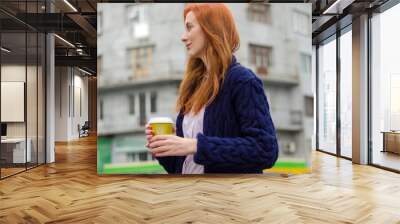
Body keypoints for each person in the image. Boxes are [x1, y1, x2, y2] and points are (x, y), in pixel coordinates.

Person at [145, 3, 278, 174]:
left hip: (226, 197)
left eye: (189, 27)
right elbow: (185, 165)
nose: (183, 37)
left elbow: (265, 150)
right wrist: (166, 147)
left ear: (211, 29)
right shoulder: (194, 85)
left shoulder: (243, 81)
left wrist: (196, 145)